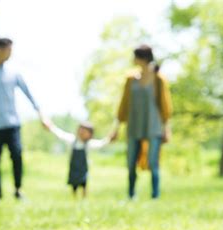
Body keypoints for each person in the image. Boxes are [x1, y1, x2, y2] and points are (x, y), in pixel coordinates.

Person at [0, 38, 43, 200]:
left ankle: (18, 189)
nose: (10, 53)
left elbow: (28, 93)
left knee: (17, 155)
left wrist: (40, 113)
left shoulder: (13, 72)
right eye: (8, 50)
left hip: (12, 123)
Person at [115, 44, 173, 199]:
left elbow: (165, 106)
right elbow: (124, 104)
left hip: (153, 126)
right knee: (130, 161)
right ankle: (131, 194)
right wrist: (116, 127)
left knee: (153, 162)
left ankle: (155, 195)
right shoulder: (131, 79)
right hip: (134, 125)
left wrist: (167, 128)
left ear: (142, 58)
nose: (133, 59)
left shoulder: (159, 79)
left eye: (135, 56)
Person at [43, 119, 116, 198]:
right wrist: (51, 127)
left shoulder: (88, 144)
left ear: (90, 134)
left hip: (83, 168)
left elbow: (101, 143)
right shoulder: (72, 140)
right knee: (74, 184)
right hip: (74, 167)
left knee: (84, 183)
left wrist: (109, 139)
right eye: (80, 129)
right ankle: (74, 197)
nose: (81, 132)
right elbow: (60, 134)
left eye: (84, 131)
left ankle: (84, 197)